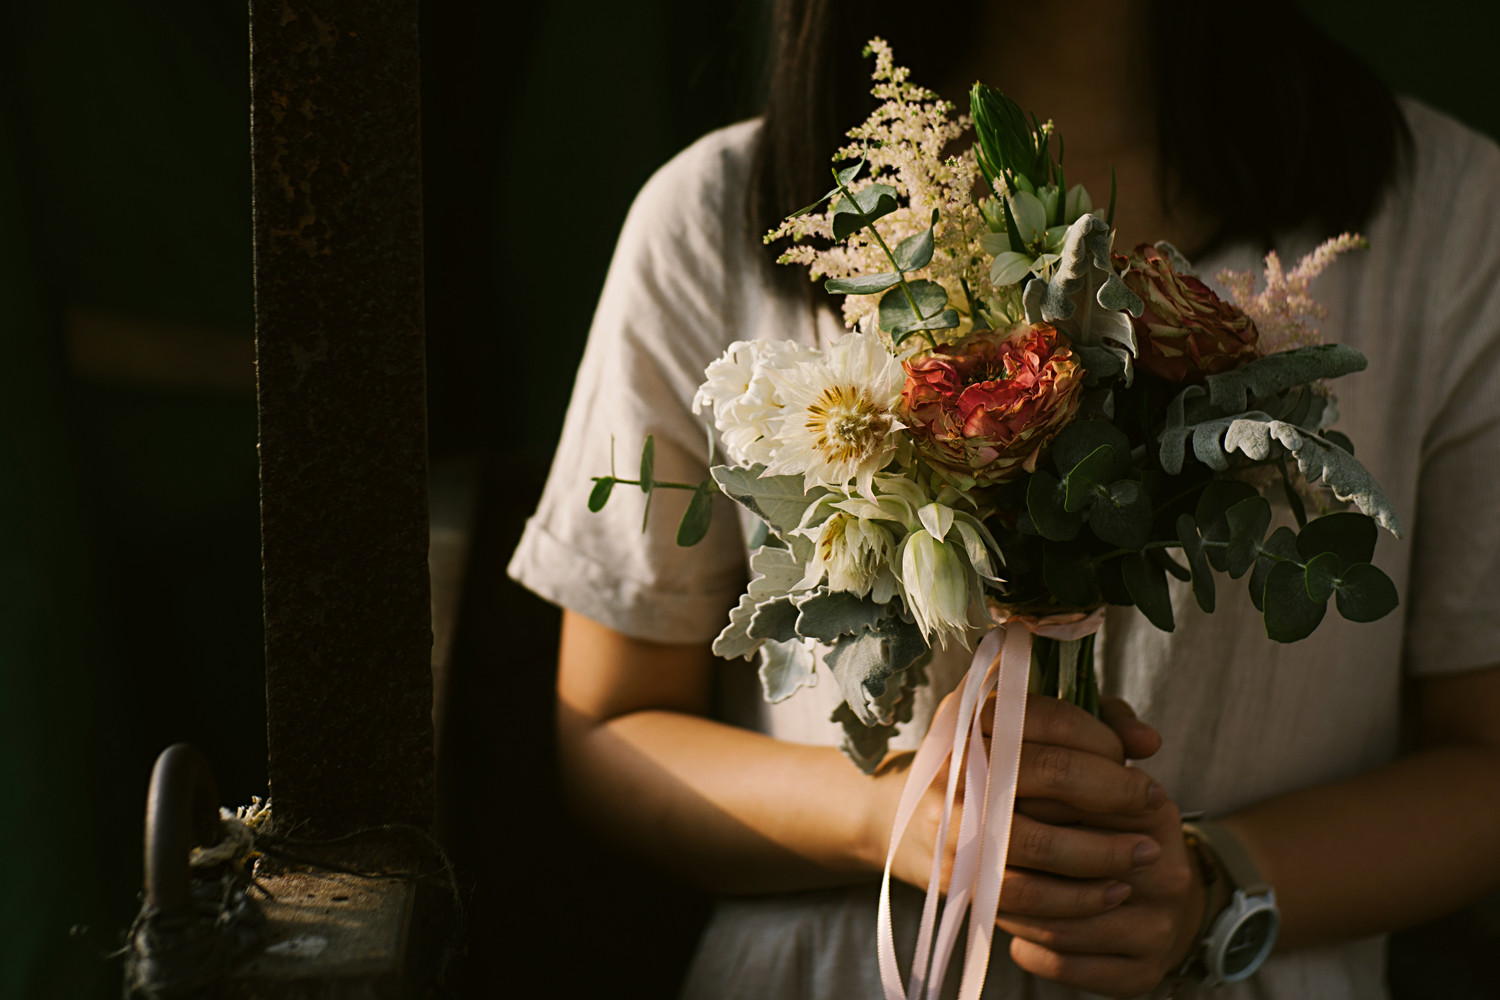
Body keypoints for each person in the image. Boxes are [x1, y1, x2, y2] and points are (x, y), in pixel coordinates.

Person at [508, 1, 1500, 996]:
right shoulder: (713, 216)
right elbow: (611, 729)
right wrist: (902, 818)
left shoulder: (1448, 218)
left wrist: (1206, 884)